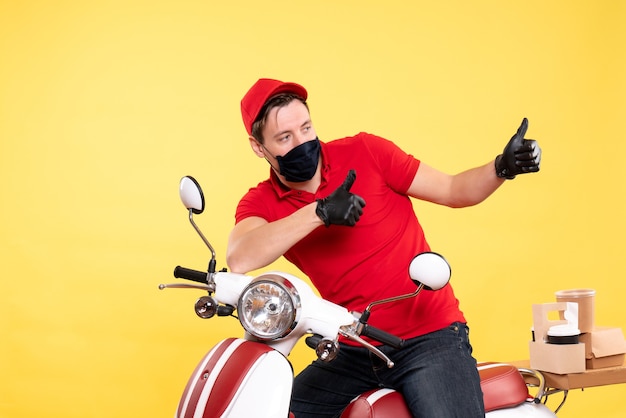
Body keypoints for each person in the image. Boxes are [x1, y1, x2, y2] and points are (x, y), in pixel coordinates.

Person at [226, 78, 541, 418]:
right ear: (258, 147)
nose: (302, 142)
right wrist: (318, 213)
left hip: (429, 337)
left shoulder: (366, 152)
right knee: (271, 410)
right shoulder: (262, 201)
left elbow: (453, 190)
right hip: (353, 348)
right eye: (285, 138)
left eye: (306, 128)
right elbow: (241, 257)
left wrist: (502, 167)